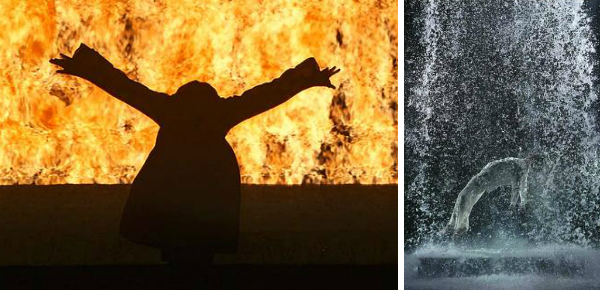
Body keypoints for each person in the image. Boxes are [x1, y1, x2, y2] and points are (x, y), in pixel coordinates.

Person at [50, 43, 340, 266]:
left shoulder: (169, 110)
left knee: (176, 240)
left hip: (176, 185)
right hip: (209, 186)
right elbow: (268, 94)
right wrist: (306, 78)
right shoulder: (221, 113)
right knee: (200, 244)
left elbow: (124, 87)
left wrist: (86, 67)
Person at [442, 154, 545, 237]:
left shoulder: (522, 166)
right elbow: (521, 186)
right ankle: (453, 227)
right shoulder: (520, 164)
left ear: (533, 162)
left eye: (532, 159)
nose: (529, 159)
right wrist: (521, 204)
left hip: (483, 180)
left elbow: (519, 186)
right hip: (483, 179)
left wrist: (516, 204)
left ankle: (457, 229)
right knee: (463, 199)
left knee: (463, 199)